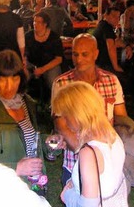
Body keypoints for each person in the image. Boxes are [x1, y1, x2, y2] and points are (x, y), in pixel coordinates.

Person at [52, 33, 127, 185]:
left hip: (108, 161)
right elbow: (61, 126)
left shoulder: (111, 81)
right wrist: (87, 153)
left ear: (96, 54)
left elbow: (122, 120)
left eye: (84, 54)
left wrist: (114, 152)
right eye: (75, 54)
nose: (79, 59)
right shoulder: (61, 84)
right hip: (75, 162)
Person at [52, 81, 128, 207]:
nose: (64, 121)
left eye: (65, 115)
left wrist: (67, 195)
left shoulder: (88, 153)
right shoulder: (112, 135)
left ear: (76, 115)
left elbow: (88, 205)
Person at [0, 50, 46, 189]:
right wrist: (16, 167)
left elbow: (30, 139)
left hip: (32, 184)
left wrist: (47, 142)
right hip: (4, 187)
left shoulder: (27, 103)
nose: (9, 86)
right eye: (2, 79)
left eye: (14, 79)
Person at [25, 11, 64, 99]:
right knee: (22, 78)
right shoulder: (28, 36)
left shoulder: (54, 37)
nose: (35, 24)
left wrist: (43, 69)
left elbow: (59, 59)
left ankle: (56, 103)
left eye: (39, 22)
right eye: (34, 21)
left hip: (50, 65)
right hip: (31, 65)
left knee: (54, 82)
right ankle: (26, 103)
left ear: (45, 24)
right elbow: (24, 54)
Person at [92, 7, 125, 73]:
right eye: (114, 16)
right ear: (106, 15)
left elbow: (114, 42)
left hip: (97, 62)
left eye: (118, 17)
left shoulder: (102, 24)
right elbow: (111, 47)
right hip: (102, 65)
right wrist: (116, 67)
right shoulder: (107, 28)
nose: (117, 19)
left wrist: (126, 46)